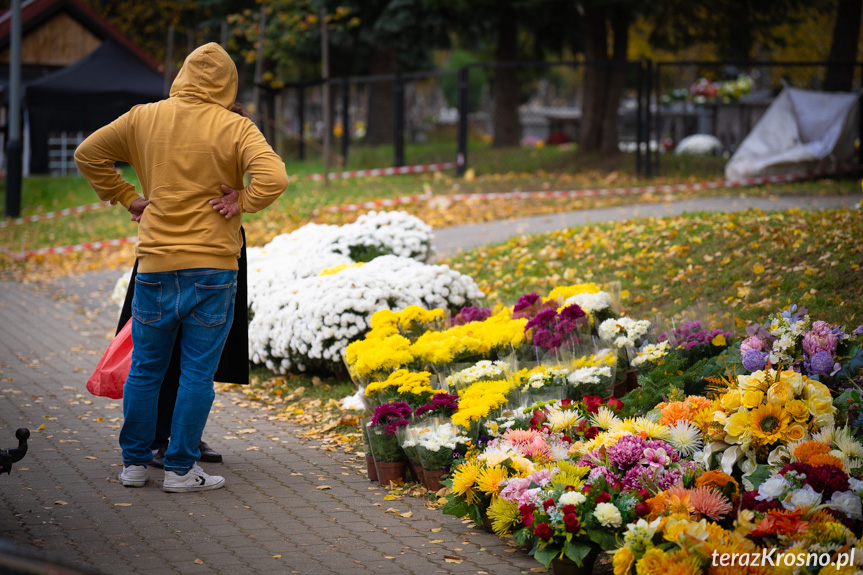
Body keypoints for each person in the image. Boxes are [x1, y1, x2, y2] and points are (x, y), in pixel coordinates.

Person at [75, 43, 288, 492]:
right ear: (229, 84)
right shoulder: (236, 126)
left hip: (154, 264)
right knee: (196, 374)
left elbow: (88, 153)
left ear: (182, 76)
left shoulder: (142, 118)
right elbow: (275, 177)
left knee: (146, 369)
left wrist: (128, 196)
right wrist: (242, 200)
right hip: (213, 269)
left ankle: (134, 465)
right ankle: (179, 470)